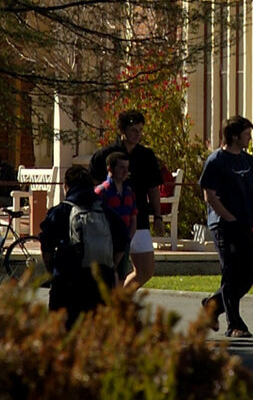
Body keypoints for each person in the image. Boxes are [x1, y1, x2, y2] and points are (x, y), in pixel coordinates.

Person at [197, 116, 253, 336]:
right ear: (234, 136)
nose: (249, 138)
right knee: (231, 272)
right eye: (246, 134)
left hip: (246, 223)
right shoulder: (217, 160)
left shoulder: (247, 160)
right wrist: (227, 217)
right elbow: (209, 195)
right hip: (224, 225)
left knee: (251, 270)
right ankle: (234, 324)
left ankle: (213, 304)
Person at [39, 164, 124, 326]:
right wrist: (111, 265)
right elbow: (122, 240)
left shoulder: (61, 211)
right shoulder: (105, 210)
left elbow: (46, 244)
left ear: (66, 186)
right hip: (101, 282)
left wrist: (52, 271)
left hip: (67, 283)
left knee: (62, 334)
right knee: (97, 335)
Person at [90, 109, 167, 289]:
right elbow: (92, 187)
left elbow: (153, 188)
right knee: (112, 270)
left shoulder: (146, 155)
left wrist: (158, 216)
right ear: (122, 131)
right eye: (133, 130)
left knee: (146, 269)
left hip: (137, 217)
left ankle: (119, 302)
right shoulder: (105, 155)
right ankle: (111, 306)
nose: (138, 135)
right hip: (109, 221)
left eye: (140, 130)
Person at [94, 150, 138, 287]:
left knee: (120, 279)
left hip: (123, 244)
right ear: (110, 169)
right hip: (106, 245)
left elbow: (133, 219)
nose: (125, 171)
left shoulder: (129, 192)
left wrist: (127, 239)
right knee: (105, 280)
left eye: (127, 167)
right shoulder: (101, 192)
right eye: (121, 167)